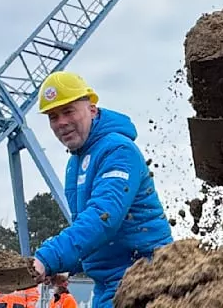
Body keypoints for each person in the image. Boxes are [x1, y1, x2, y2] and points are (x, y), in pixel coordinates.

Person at [30, 71, 173, 308]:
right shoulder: (74, 164)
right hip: (108, 285)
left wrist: (47, 258)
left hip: (146, 280)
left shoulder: (118, 150)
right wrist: (69, 265)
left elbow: (103, 217)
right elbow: (92, 234)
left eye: (68, 111)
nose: (61, 122)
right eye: (53, 116)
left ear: (92, 109)